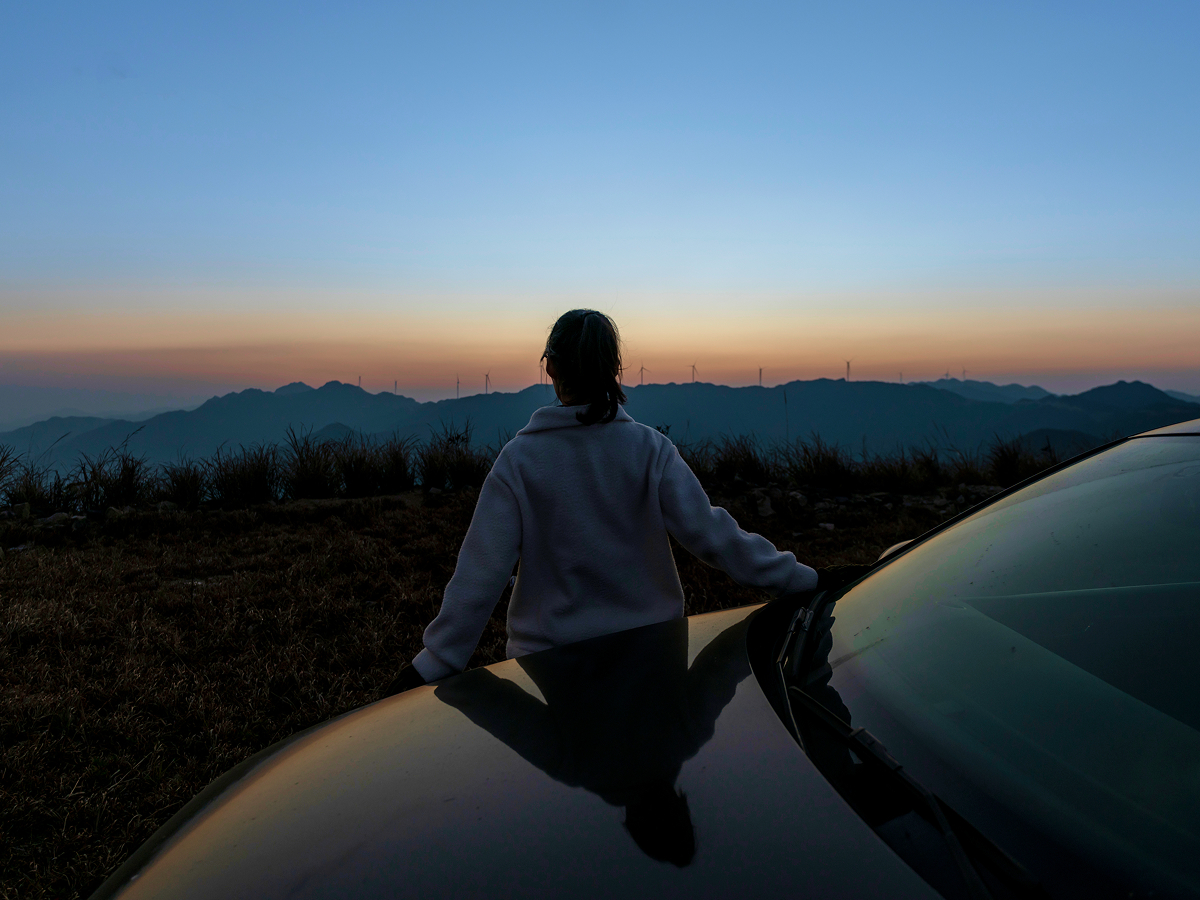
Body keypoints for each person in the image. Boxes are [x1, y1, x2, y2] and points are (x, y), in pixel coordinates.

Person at [388, 309, 861, 693]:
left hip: (552, 671)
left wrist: (436, 662)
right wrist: (803, 581)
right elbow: (715, 536)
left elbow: (480, 575)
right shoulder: (649, 449)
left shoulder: (520, 461)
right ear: (615, 369)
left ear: (550, 366)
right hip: (653, 658)